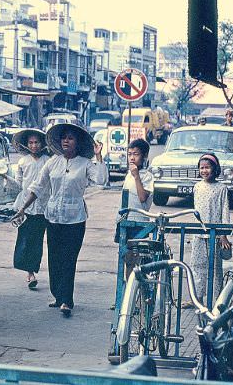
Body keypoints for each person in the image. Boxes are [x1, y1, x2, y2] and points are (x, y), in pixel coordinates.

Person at [11, 123, 107, 317]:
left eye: (70, 138)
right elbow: (37, 187)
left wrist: (98, 156)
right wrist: (22, 208)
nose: (66, 141)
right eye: (64, 138)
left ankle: (67, 300)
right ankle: (58, 296)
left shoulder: (85, 164)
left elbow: (101, 180)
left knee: (68, 259)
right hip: (53, 217)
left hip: (75, 219)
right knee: (54, 258)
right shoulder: (52, 162)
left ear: (77, 143)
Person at [186, 153, 231, 308]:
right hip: (199, 234)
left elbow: (225, 211)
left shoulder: (221, 188)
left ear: (215, 169)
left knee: (215, 269)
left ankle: (218, 302)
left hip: (215, 235)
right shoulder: (197, 187)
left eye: (207, 167)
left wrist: (224, 235)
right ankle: (197, 300)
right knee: (197, 266)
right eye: (201, 168)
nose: (204, 170)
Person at [9, 129, 50, 290]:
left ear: (42, 144)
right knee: (25, 240)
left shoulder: (48, 161)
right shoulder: (22, 162)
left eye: (37, 142)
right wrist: (4, 177)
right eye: (31, 143)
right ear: (27, 144)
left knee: (37, 240)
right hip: (25, 207)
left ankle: (32, 270)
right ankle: (29, 271)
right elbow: (19, 185)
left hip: (43, 206)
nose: (34, 145)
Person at [114, 139, 153, 278]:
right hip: (125, 221)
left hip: (139, 222)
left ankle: (138, 291)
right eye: (129, 154)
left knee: (137, 260)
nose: (132, 157)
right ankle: (127, 294)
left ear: (144, 156)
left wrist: (137, 176)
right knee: (127, 259)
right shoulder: (128, 175)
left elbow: (143, 198)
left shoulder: (147, 176)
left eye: (135, 154)